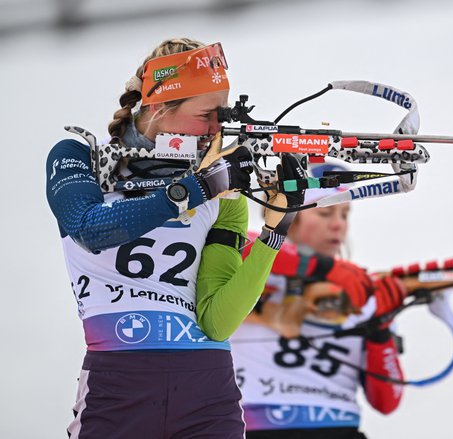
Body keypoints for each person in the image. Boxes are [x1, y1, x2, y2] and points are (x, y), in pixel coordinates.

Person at [46, 38, 302, 438]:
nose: (217, 129)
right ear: (160, 108)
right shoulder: (79, 155)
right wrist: (198, 188)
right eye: (207, 115)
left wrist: (275, 231)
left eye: (223, 115)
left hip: (207, 387)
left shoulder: (223, 195)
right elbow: (89, 228)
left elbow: (217, 323)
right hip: (118, 383)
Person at [227, 164, 409, 439]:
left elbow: (387, 402)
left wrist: (380, 330)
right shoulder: (245, 269)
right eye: (325, 213)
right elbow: (236, 242)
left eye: (345, 215)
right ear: (289, 215)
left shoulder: (360, 290)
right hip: (254, 427)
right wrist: (323, 267)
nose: (338, 224)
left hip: (337, 428)